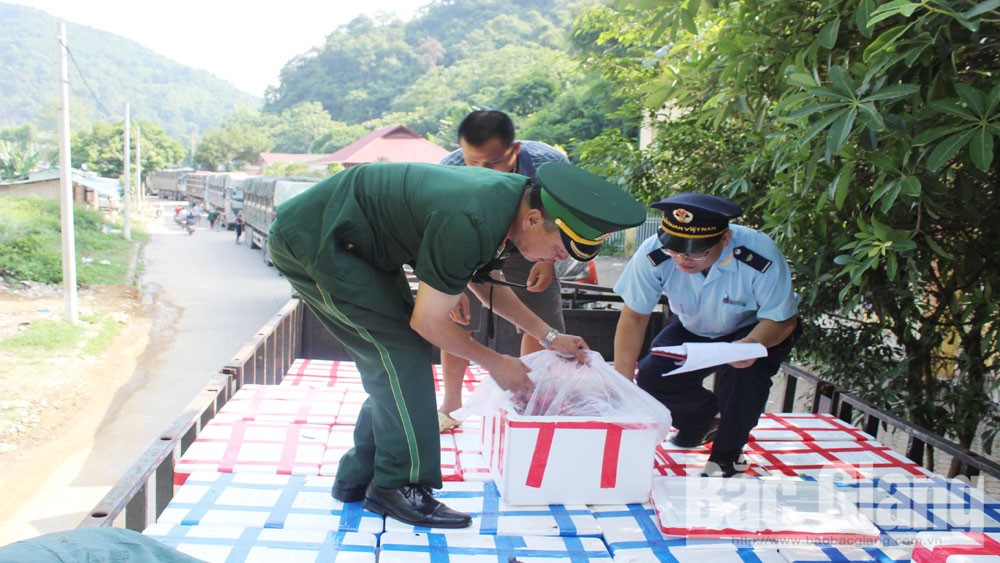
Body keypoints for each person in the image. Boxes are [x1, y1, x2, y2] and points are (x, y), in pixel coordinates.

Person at [267, 162, 644, 528]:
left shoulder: (507, 208)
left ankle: (358, 474)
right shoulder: (473, 217)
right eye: (560, 249)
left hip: (356, 242)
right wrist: (496, 362)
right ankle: (398, 484)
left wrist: (549, 337)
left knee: (397, 360)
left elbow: (486, 283)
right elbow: (428, 322)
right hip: (319, 238)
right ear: (533, 220)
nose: (558, 260)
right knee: (400, 354)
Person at [612, 193, 800, 477]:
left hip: (754, 329)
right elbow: (635, 316)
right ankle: (706, 421)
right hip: (693, 323)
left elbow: (782, 319)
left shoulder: (758, 255)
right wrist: (622, 383)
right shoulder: (653, 254)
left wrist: (750, 345)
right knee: (652, 376)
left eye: (696, 252)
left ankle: (727, 456)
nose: (682, 260)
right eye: (675, 250)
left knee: (742, 383)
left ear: (724, 239)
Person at [436, 109, 573, 432]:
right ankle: (452, 404)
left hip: (533, 241)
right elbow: (444, 238)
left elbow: (561, 221)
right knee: (452, 316)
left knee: (542, 318)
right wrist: (454, 287)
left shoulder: (549, 164)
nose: (482, 171)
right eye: (473, 161)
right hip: (472, 242)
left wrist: (546, 261)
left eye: (494, 162)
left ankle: (527, 399)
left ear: (515, 150)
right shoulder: (449, 170)